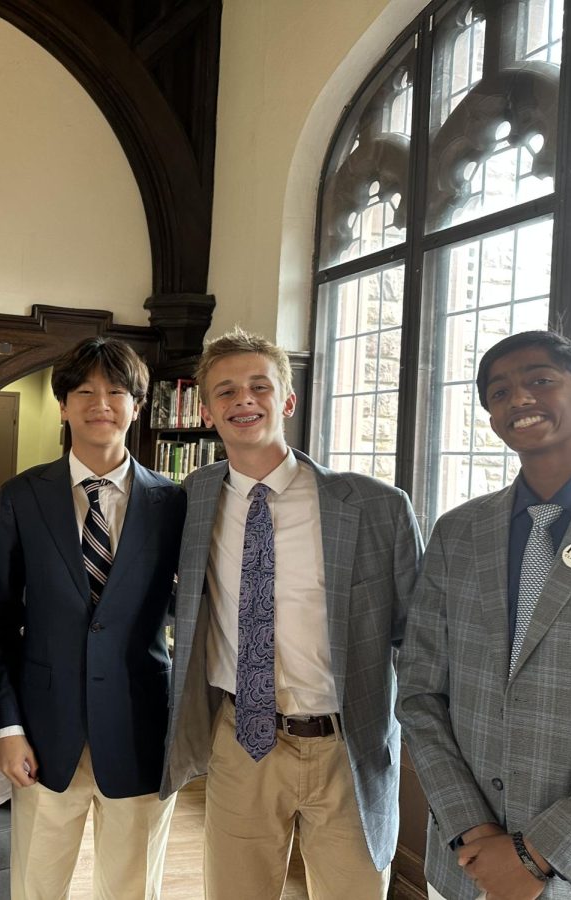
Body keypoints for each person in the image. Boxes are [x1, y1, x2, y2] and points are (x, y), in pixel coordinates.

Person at [162, 327, 422, 900]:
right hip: (242, 740)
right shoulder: (190, 498)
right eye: (226, 391)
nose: (243, 400)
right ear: (207, 411)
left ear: (287, 400)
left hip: (348, 745)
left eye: (259, 386)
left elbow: (420, 639)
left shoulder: (377, 506)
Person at [398, 330, 571, 900]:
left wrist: (540, 854)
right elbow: (422, 693)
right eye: (500, 392)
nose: (518, 399)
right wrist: (474, 833)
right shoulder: (458, 531)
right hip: (469, 862)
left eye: (540, 381)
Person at [0, 336, 185, 899]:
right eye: (85, 391)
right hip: (44, 734)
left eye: (117, 391)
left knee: (133, 888)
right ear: (63, 404)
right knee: (36, 886)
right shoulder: (23, 495)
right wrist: (7, 728)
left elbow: (186, 609)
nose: (102, 402)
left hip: (142, 729)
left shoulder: (174, 503)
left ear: (137, 406)